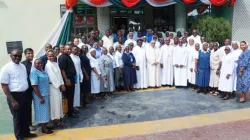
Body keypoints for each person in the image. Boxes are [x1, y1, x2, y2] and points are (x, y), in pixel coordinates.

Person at [0, 49, 37, 140]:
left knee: (25, 115)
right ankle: (19, 136)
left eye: (19, 56)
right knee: (17, 117)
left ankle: (26, 133)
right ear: (11, 56)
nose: (17, 57)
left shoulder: (22, 66)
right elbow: (4, 86)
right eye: (15, 56)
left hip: (25, 95)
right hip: (14, 96)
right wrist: (12, 100)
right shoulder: (6, 68)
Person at [30, 59, 53, 134]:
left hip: (45, 94)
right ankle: (44, 129)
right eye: (37, 63)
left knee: (45, 112)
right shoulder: (34, 73)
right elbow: (34, 86)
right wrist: (40, 97)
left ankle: (45, 125)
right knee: (41, 112)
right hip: (39, 96)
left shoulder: (42, 71)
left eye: (41, 63)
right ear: (34, 64)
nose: (40, 64)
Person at [45, 50, 65, 126]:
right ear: (47, 56)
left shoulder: (55, 64)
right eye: (49, 56)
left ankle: (59, 116)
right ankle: (55, 119)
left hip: (58, 86)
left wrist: (62, 84)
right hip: (53, 87)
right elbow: (52, 77)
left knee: (58, 102)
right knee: (54, 103)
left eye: (52, 56)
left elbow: (59, 75)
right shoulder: (48, 65)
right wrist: (59, 85)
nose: (51, 57)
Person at [58, 44, 78, 118]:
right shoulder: (62, 57)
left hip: (71, 78)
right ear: (64, 49)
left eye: (70, 49)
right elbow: (62, 69)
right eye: (67, 49)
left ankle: (71, 110)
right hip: (67, 79)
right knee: (69, 96)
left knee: (71, 96)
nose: (69, 50)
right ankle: (69, 113)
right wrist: (66, 80)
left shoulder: (68, 56)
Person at [21, 48, 36, 131]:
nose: (30, 55)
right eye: (28, 53)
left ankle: (42, 120)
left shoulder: (34, 63)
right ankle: (29, 124)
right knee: (27, 107)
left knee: (38, 105)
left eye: (31, 53)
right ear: (25, 54)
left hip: (36, 88)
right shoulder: (22, 65)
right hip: (27, 90)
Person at [70, 46, 83, 111]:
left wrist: (81, 76)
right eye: (74, 49)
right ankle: (73, 105)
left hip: (78, 76)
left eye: (76, 50)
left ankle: (76, 104)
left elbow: (79, 68)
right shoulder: (70, 57)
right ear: (71, 50)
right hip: (73, 76)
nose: (75, 51)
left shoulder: (78, 57)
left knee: (77, 91)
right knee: (74, 91)